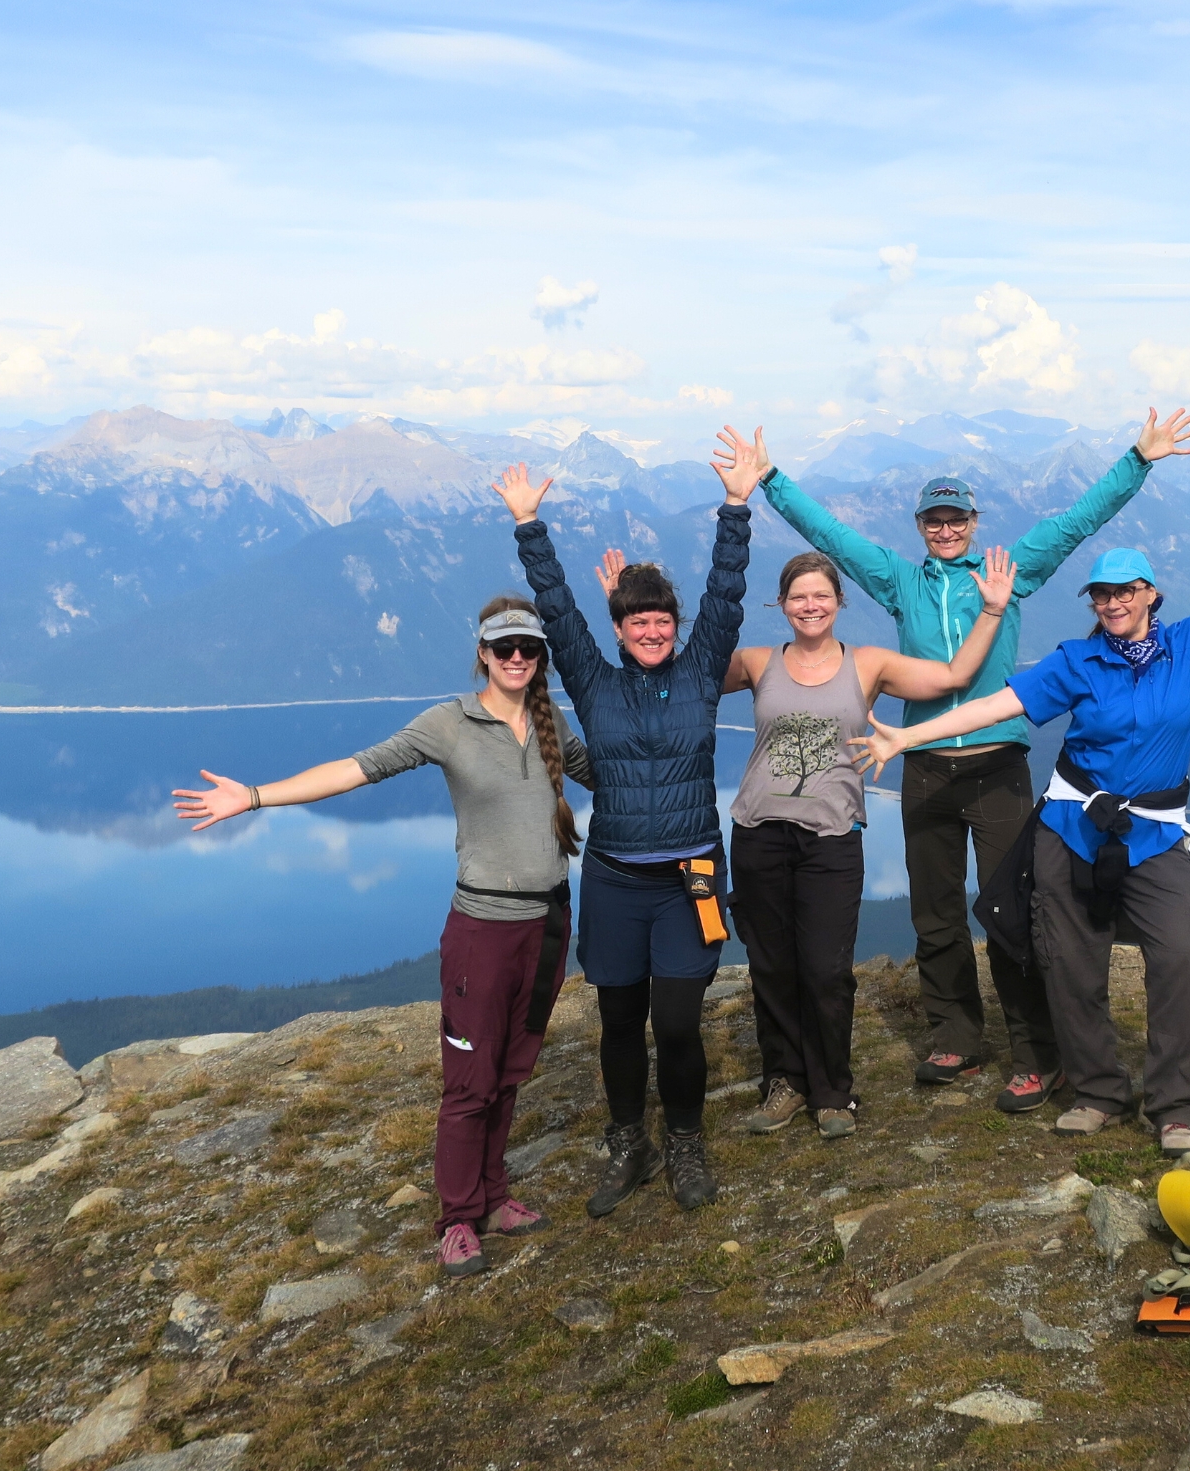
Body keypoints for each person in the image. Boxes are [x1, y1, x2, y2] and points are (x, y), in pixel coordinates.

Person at [853, 441, 1190, 1153]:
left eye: (1125, 592)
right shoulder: (1078, 660)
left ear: (1151, 595)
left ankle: (1175, 1106)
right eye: (1102, 595)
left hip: (1155, 833)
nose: (1112, 603)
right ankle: (1097, 1091)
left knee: (1178, 956)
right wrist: (906, 738)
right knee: (1069, 961)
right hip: (1071, 826)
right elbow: (995, 705)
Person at [734, 408, 1190, 1113]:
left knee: (1014, 908)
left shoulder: (1008, 569)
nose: (946, 530)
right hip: (924, 767)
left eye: (956, 519)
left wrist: (1138, 459)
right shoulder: (900, 581)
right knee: (936, 913)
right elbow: (830, 537)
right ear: (921, 526)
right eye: (935, 520)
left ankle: (1036, 1052)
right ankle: (955, 1034)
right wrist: (770, 478)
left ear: (974, 523)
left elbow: (1076, 522)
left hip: (997, 767)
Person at [171, 596, 592, 1280]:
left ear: (541, 658)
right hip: (483, 930)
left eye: (529, 648)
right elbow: (355, 768)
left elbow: (617, 772)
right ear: (483, 654)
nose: (517, 658)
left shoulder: (553, 723)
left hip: (547, 925)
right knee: (470, 1083)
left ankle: (493, 1199)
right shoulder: (448, 724)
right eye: (504, 648)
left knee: (512, 1071)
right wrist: (253, 796)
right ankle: (457, 1220)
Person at [491, 435, 763, 1218]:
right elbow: (556, 610)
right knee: (617, 1022)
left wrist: (736, 507)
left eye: (661, 621)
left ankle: (684, 1141)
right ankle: (627, 1144)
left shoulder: (702, 671)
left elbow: (726, 595)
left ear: (676, 626)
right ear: (618, 630)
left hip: (689, 880)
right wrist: (529, 527)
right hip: (615, 879)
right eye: (638, 622)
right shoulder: (592, 680)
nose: (651, 631)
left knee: (676, 1023)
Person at [713, 539, 1017, 1141]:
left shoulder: (868, 664)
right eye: (798, 597)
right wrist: (629, 612)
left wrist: (991, 611)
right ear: (781, 604)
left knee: (827, 970)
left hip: (832, 839)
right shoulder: (755, 661)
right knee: (772, 967)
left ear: (839, 601)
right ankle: (784, 1082)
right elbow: (679, 674)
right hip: (758, 832)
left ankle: (832, 1092)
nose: (810, 606)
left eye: (821, 595)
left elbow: (953, 676)